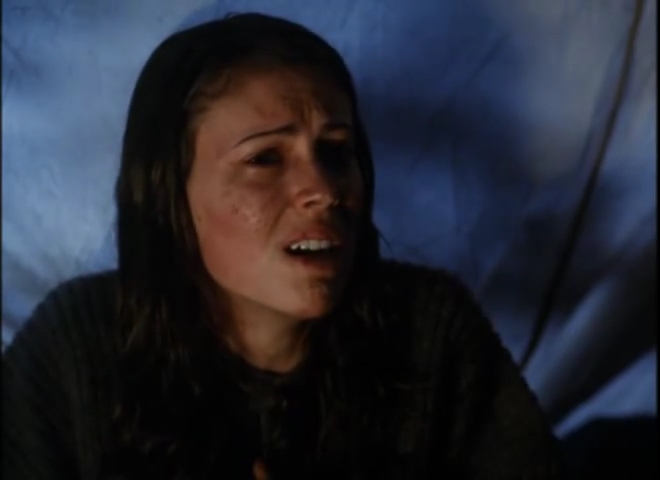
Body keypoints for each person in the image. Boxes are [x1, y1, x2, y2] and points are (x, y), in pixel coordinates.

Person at [2, 12, 564, 480]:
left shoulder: (432, 332)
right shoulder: (75, 349)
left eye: (337, 151)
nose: (324, 191)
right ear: (170, 193)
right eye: (264, 158)